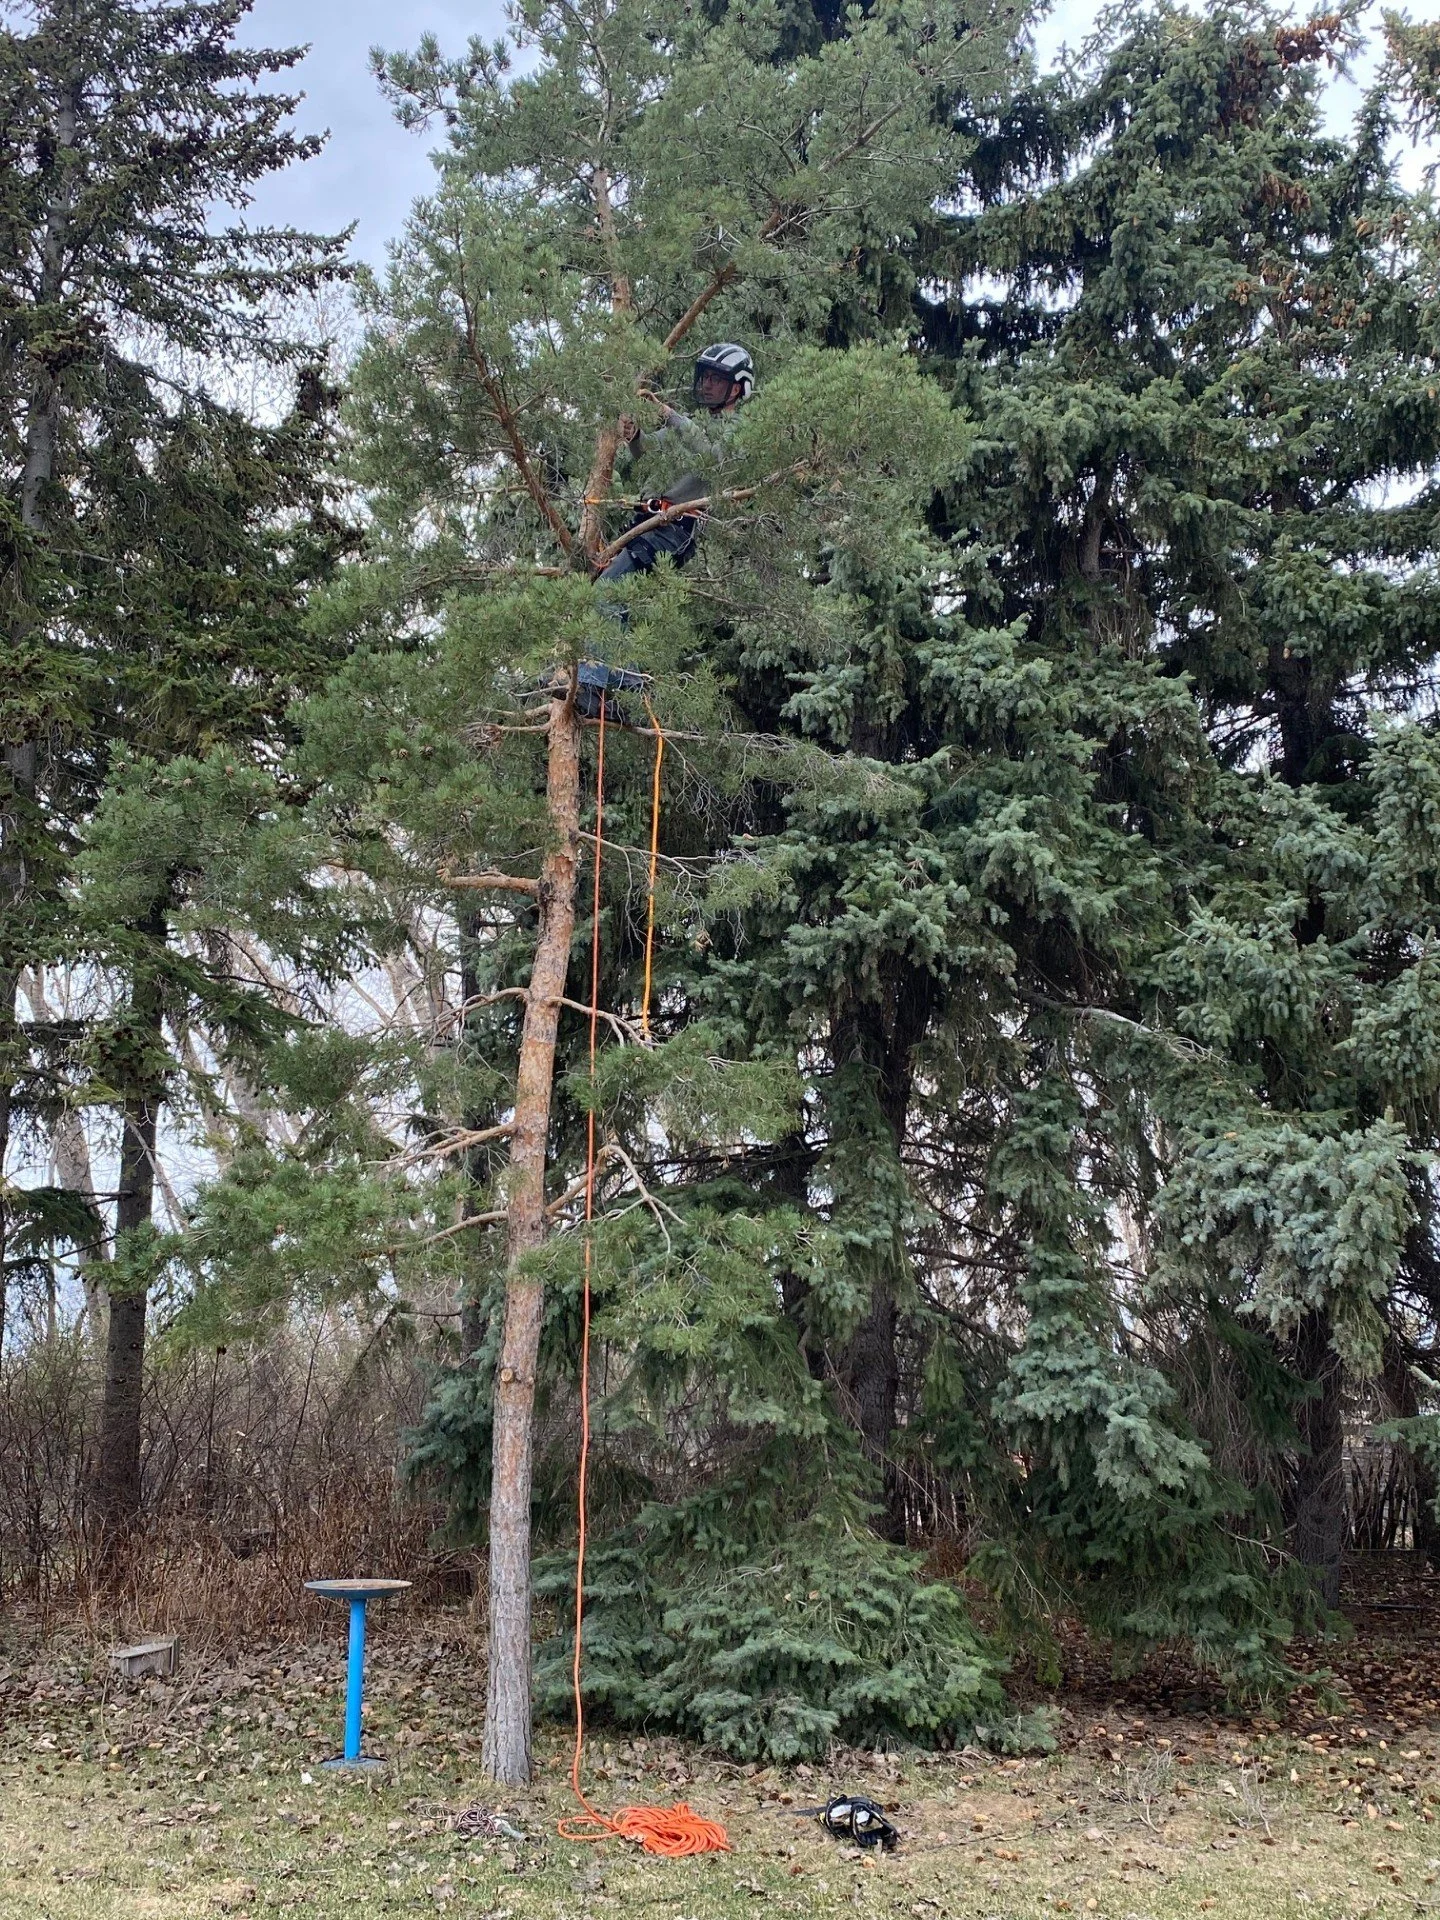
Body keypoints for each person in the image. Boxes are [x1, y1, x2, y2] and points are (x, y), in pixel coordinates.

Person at [597, 341, 754, 594]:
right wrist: (634, 433)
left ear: (736, 388)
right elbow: (647, 453)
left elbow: (713, 459)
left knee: (606, 594)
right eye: (706, 377)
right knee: (606, 590)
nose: (707, 384)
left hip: (673, 532)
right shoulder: (688, 425)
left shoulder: (737, 429)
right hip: (648, 523)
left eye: (716, 379)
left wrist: (670, 414)